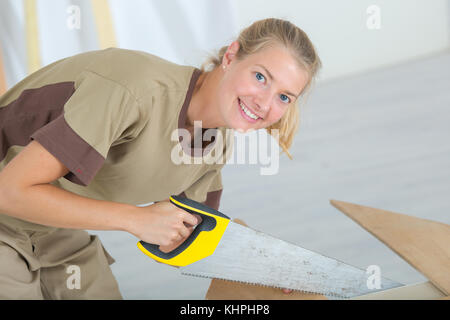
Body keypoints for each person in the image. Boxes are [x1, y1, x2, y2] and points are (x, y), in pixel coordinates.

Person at [0, 18, 322, 299]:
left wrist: (257, 267)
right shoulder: (136, 91)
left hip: (57, 227)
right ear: (231, 56)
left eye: (283, 97)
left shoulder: (217, 144)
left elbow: (178, 242)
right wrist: (135, 219)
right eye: (261, 77)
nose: (265, 102)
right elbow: (9, 192)